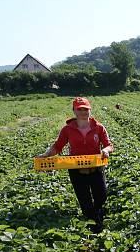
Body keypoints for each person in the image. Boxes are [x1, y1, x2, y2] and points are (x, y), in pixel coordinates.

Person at [39, 97, 113, 233]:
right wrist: (46, 155)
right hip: (76, 169)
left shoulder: (99, 127)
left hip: (96, 167)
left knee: (101, 196)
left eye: (86, 109)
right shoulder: (67, 129)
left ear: (90, 110)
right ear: (74, 111)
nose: (84, 112)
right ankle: (93, 228)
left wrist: (106, 150)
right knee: (84, 199)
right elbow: (58, 146)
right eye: (80, 109)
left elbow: (109, 145)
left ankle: (99, 217)